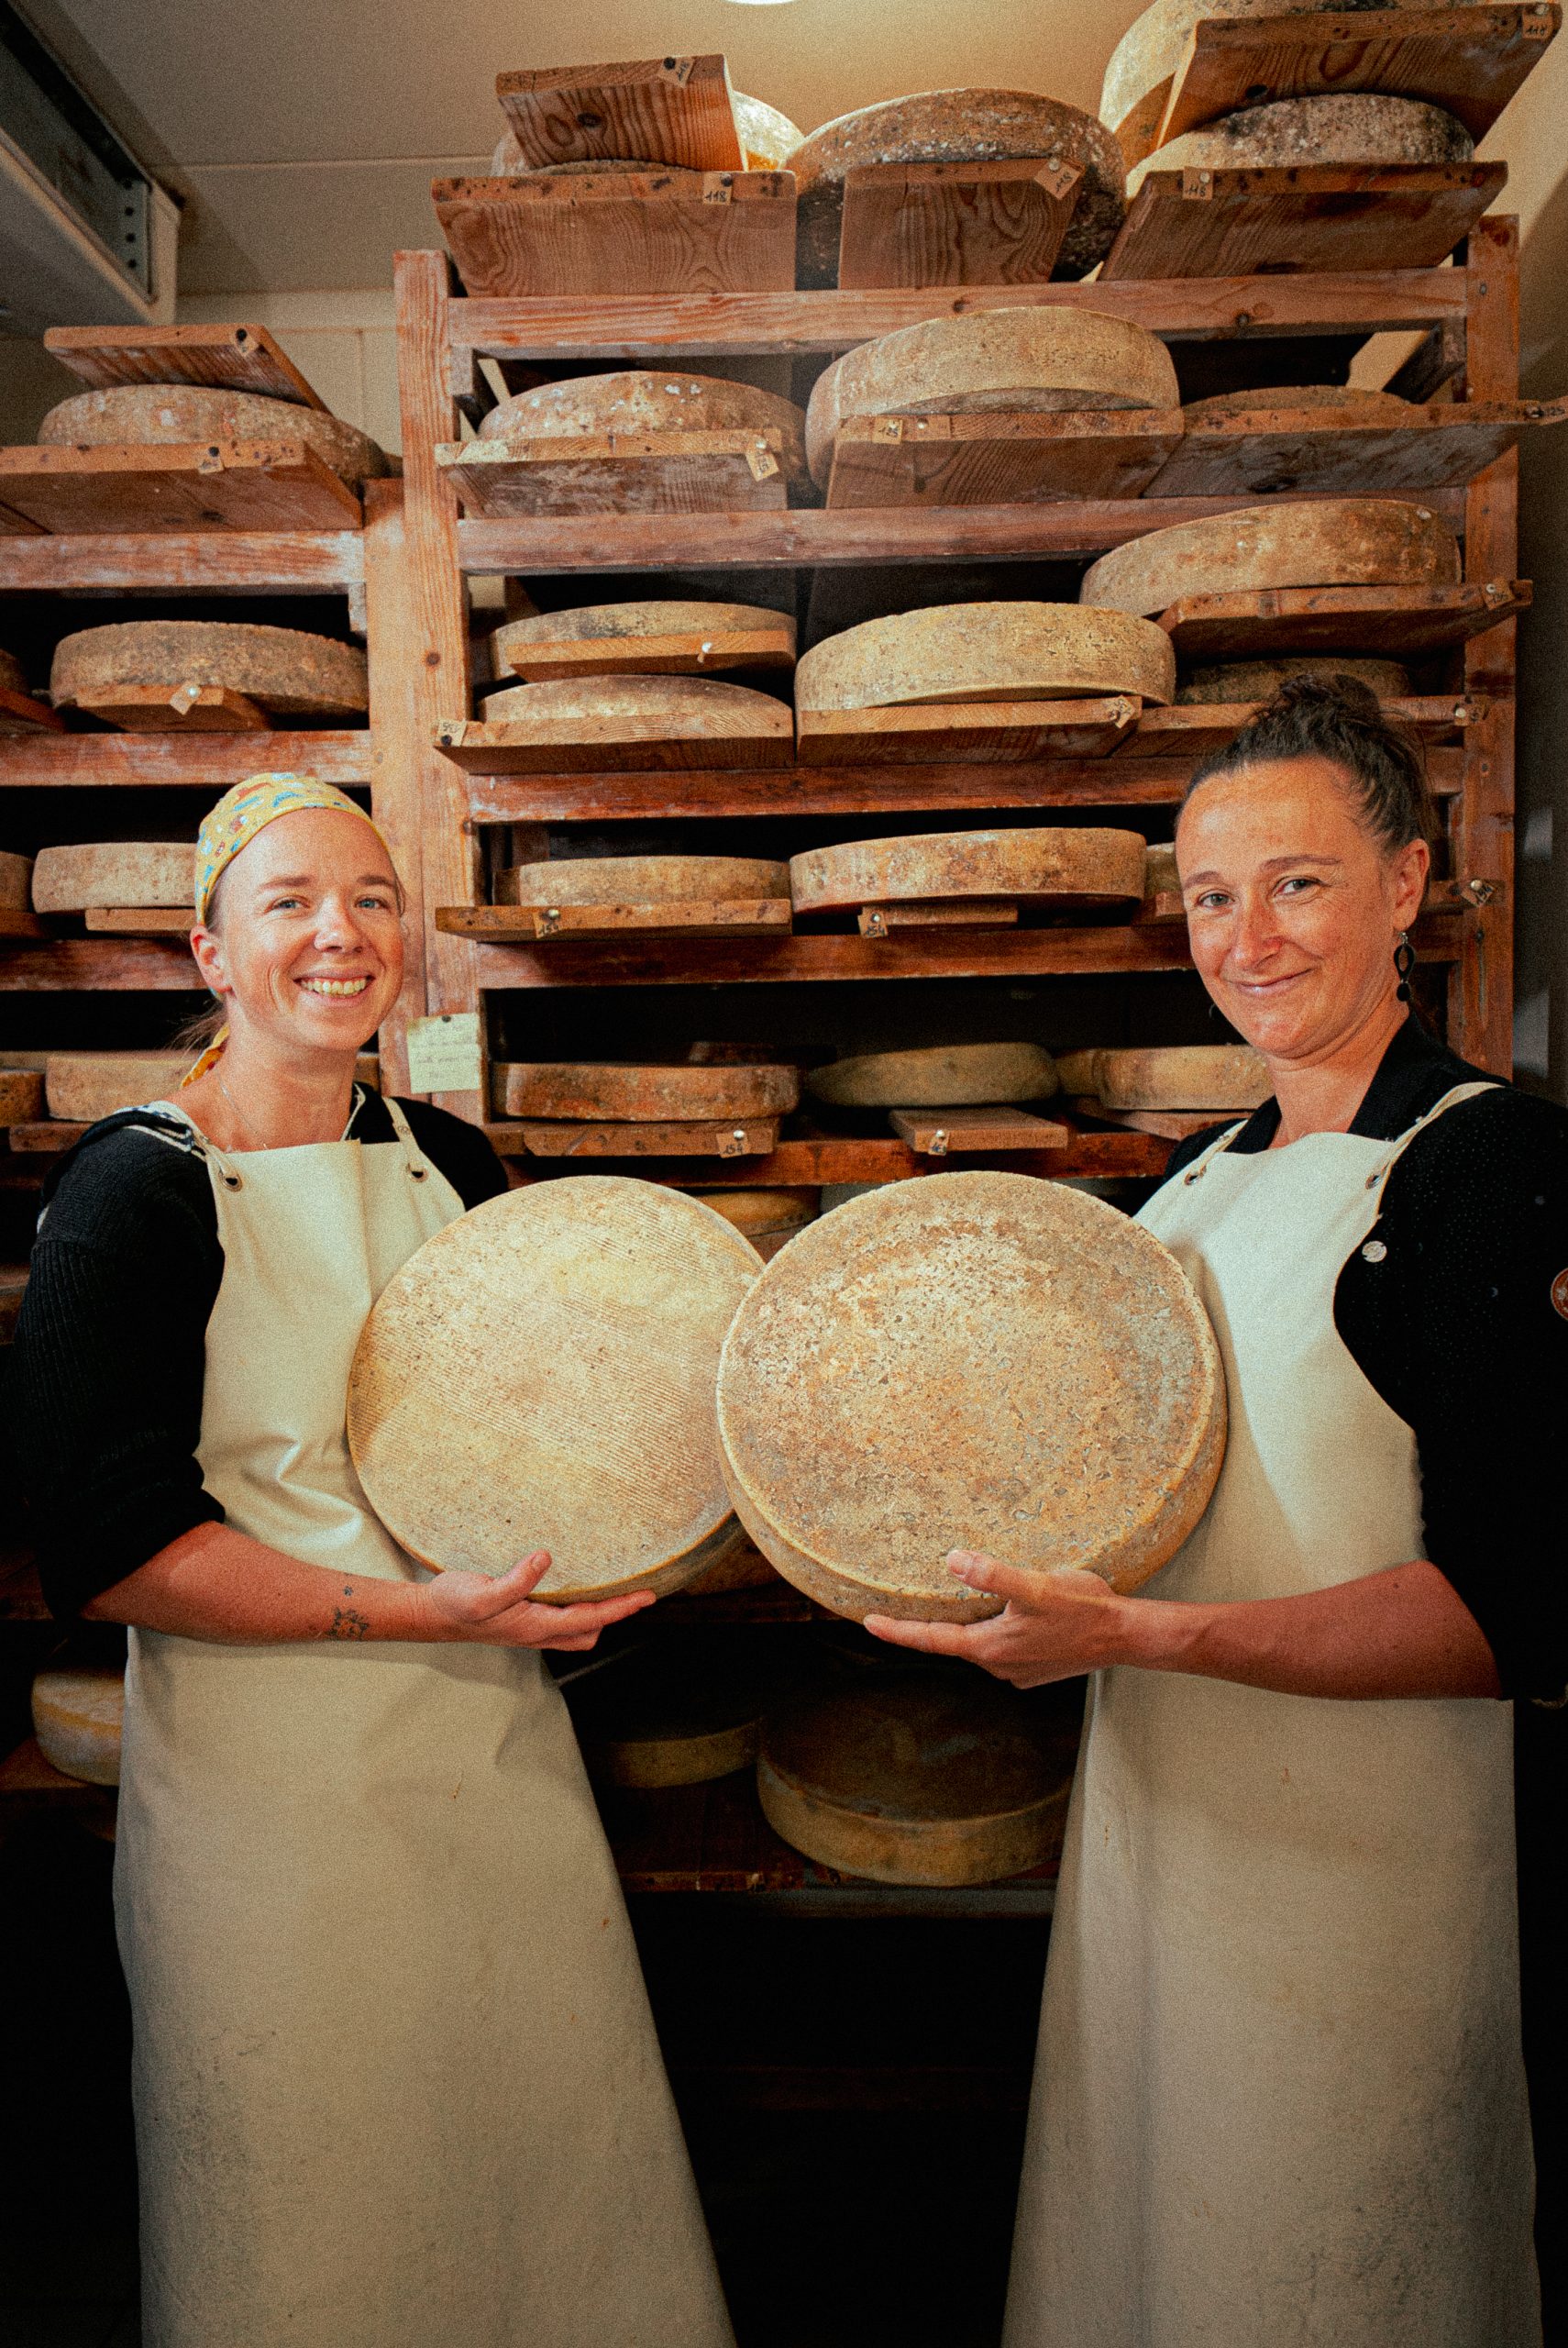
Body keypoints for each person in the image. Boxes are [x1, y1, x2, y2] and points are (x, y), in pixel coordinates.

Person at [867, 679, 1566, 2346]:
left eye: (1297, 883)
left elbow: (1516, 1611)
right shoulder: (1185, 1186)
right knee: (1154, 2246)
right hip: (1163, 1837)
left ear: (1406, 885)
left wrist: (1140, 1636)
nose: (1247, 939)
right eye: (1208, 896)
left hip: (1377, 1874)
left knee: (1340, 2264)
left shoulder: (1491, 1169)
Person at [7, 775, 734, 2348]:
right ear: (211, 954)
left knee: (541, 2173)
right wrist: (417, 1609)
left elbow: (539, 1421)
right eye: (289, 904)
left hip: (487, 1753)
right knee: (311, 2208)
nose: (340, 934)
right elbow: (111, 1551)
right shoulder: (133, 1190)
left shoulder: (444, 1160)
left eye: (373, 899)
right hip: (272, 1807)